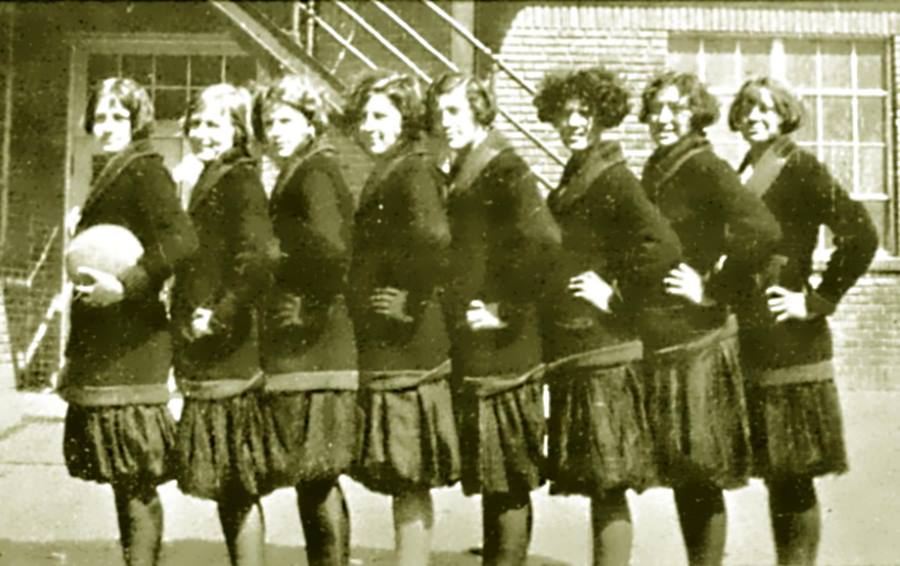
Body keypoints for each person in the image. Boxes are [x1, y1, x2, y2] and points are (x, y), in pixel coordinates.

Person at [532, 67, 682, 566]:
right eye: (565, 113)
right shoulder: (581, 168)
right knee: (600, 482)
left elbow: (662, 246)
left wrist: (616, 293)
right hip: (582, 348)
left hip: (605, 349)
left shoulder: (613, 175)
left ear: (603, 116)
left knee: (608, 481)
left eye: (585, 113)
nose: (573, 122)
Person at [727, 77, 878, 566]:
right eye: (747, 107)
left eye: (767, 109)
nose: (755, 116)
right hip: (753, 338)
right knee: (776, 472)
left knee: (792, 473)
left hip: (792, 341)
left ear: (786, 115)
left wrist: (817, 300)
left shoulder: (800, 167)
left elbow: (861, 235)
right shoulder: (746, 168)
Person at [637, 71, 781, 565]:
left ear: (695, 113)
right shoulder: (658, 168)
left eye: (675, 108)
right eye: (656, 109)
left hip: (699, 340)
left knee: (698, 471)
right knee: (684, 473)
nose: (663, 118)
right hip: (665, 341)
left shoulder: (704, 167)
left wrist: (713, 287)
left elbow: (762, 231)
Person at [60, 77, 197, 566]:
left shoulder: (145, 170)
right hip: (105, 344)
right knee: (123, 478)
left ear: (138, 120)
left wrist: (126, 285)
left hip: (132, 342)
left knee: (133, 474)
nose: (108, 126)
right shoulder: (115, 171)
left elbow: (181, 240)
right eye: (100, 117)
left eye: (119, 116)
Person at [427, 72, 560, 566]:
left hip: (507, 348)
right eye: (441, 115)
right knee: (494, 473)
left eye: (457, 112)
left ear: (482, 112)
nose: (447, 123)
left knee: (506, 477)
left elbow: (545, 242)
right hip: (479, 347)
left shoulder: (504, 168)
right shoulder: (465, 167)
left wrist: (507, 307)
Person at [341, 71, 460, 566]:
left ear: (406, 119)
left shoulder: (413, 169)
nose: (370, 126)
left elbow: (436, 240)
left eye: (382, 115)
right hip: (393, 346)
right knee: (402, 475)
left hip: (411, 345)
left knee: (409, 475)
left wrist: (409, 299)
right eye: (365, 116)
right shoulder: (393, 167)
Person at [252, 74, 357, 566]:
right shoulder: (302, 168)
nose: (275, 131)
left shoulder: (314, 171)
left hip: (317, 348)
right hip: (308, 347)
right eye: (269, 122)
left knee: (315, 476)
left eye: (286, 120)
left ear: (310, 121)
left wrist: (307, 303)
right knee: (312, 476)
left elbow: (335, 251)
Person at [170, 84, 274, 566]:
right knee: (227, 483)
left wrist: (220, 312)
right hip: (205, 344)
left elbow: (255, 258)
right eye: (196, 124)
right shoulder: (207, 176)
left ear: (238, 129)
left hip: (227, 343)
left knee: (235, 480)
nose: (201, 133)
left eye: (214, 124)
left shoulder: (241, 179)